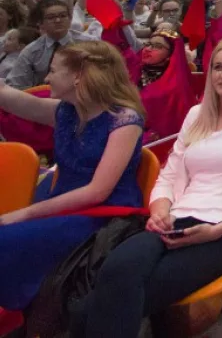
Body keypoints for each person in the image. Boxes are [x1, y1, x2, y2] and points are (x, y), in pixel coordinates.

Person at [71, 37, 222, 337]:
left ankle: (80, 319)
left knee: (103, 304)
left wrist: (220, 228)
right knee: (117, 269)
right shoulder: (197, 115)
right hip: (177, 218)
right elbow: (168, 175)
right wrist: (160, 209)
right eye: (217, 67)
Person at [0, 43, 145, 312]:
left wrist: (24, 214)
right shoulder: (66, 111)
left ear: (78, 76)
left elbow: (97, 192)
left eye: (53, 70)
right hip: (63, 206)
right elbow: (8, 96)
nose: (46, 78)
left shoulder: (124, 120)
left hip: (102, 216)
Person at [6, 0, 98, 89]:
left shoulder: (89, 44)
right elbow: (15, 84)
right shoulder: (31, 51)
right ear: (41, 23)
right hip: (41, 99)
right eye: (51, 17)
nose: (58, 20)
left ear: (70, 20)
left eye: (63, 16)